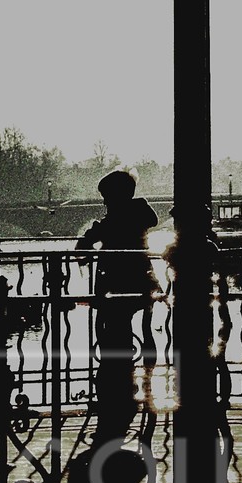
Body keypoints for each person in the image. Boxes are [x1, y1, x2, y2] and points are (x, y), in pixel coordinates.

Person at [75, 169, 160, 444]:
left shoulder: (117, 220)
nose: (105, 203)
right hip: (139, 283)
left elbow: (85, 247)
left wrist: (93, 235)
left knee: (113, 336)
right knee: (131, 334)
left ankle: (118, 390)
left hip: (117, 286)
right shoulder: (137, 214)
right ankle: (133, 387)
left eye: (107, 198)